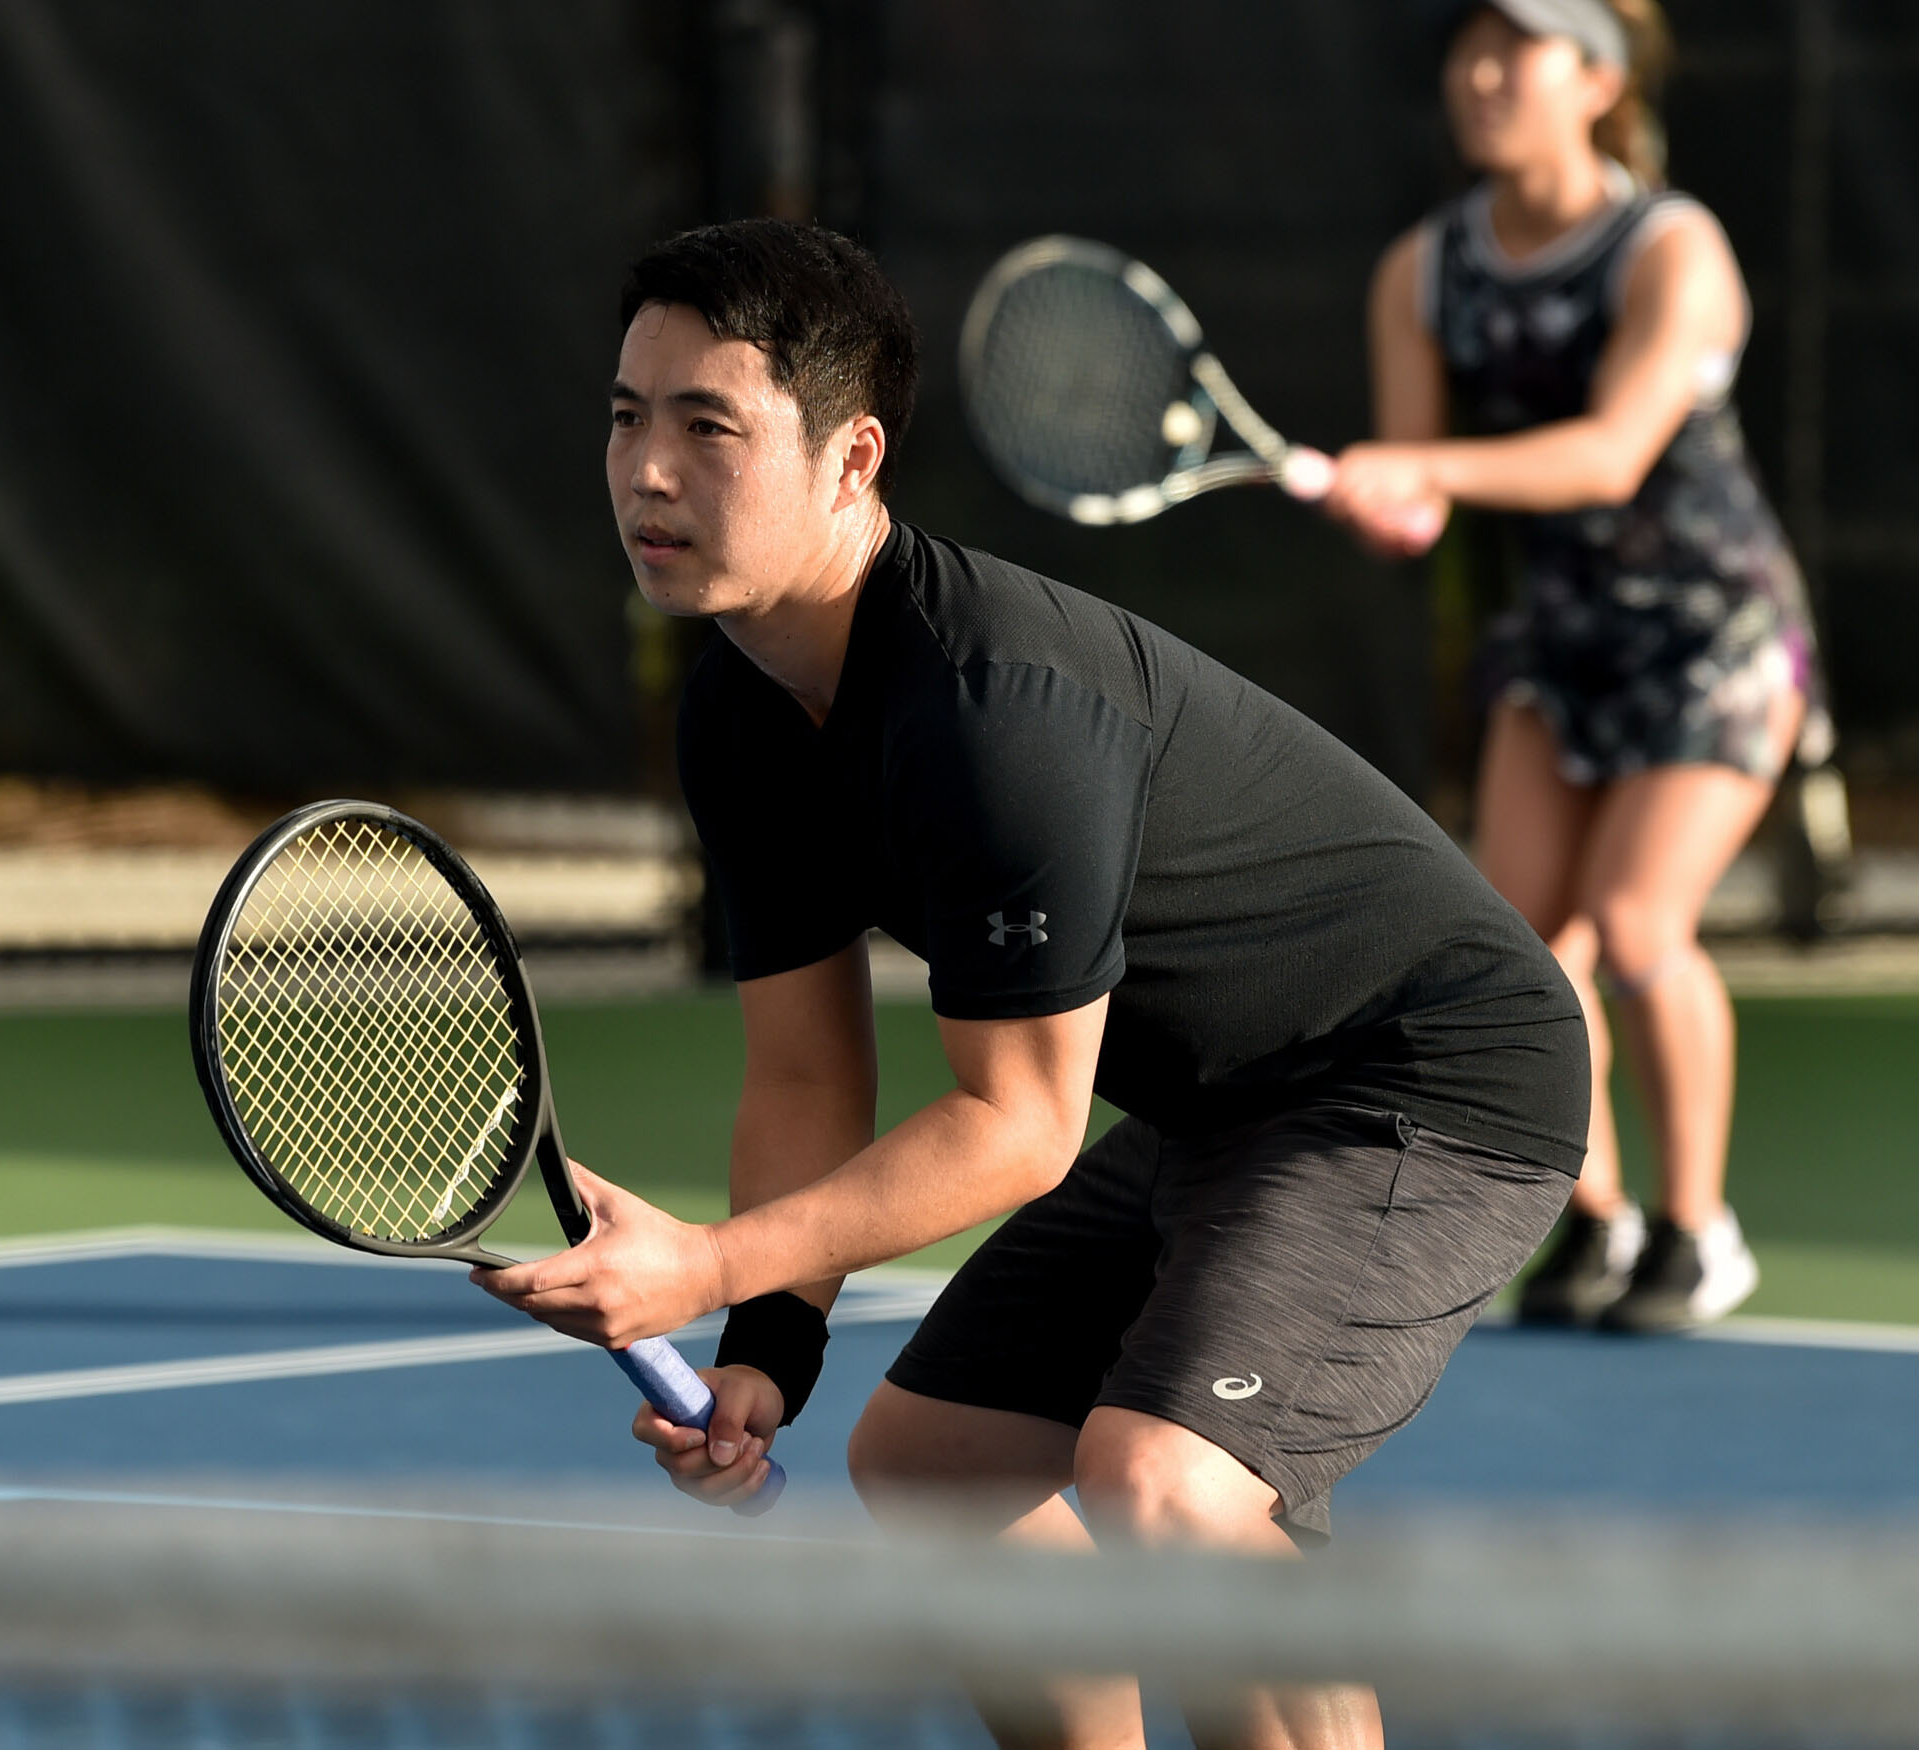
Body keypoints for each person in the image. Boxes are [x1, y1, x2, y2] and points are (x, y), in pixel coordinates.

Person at [472, 218, 1588, 1750]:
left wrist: (709, 1262)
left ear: (851, 458)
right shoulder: (739, 710)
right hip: (1228, 1105)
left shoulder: (997, 710)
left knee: (1166, 1486)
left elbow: (1020, 1127)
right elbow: (806, 1078)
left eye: (705, 426)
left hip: (1427, 1085)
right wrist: (765, 1354)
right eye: (626, 417)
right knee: (935, 1463)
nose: (646, 472)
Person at [1315, 0, 1829, 1333]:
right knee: (1519, 956)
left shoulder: (1674, 249)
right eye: (1468, 47)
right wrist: (1391, 501)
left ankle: (1698, 1232)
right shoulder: (1420, 272)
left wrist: (1422, 469)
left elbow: (1610, 453)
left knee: (1642, 924)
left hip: (1716, 631)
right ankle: (1591, 1220)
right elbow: (1424, 499)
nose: (1482, 74)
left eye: (1518, 48)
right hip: (1555, 640)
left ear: (1596, 79)